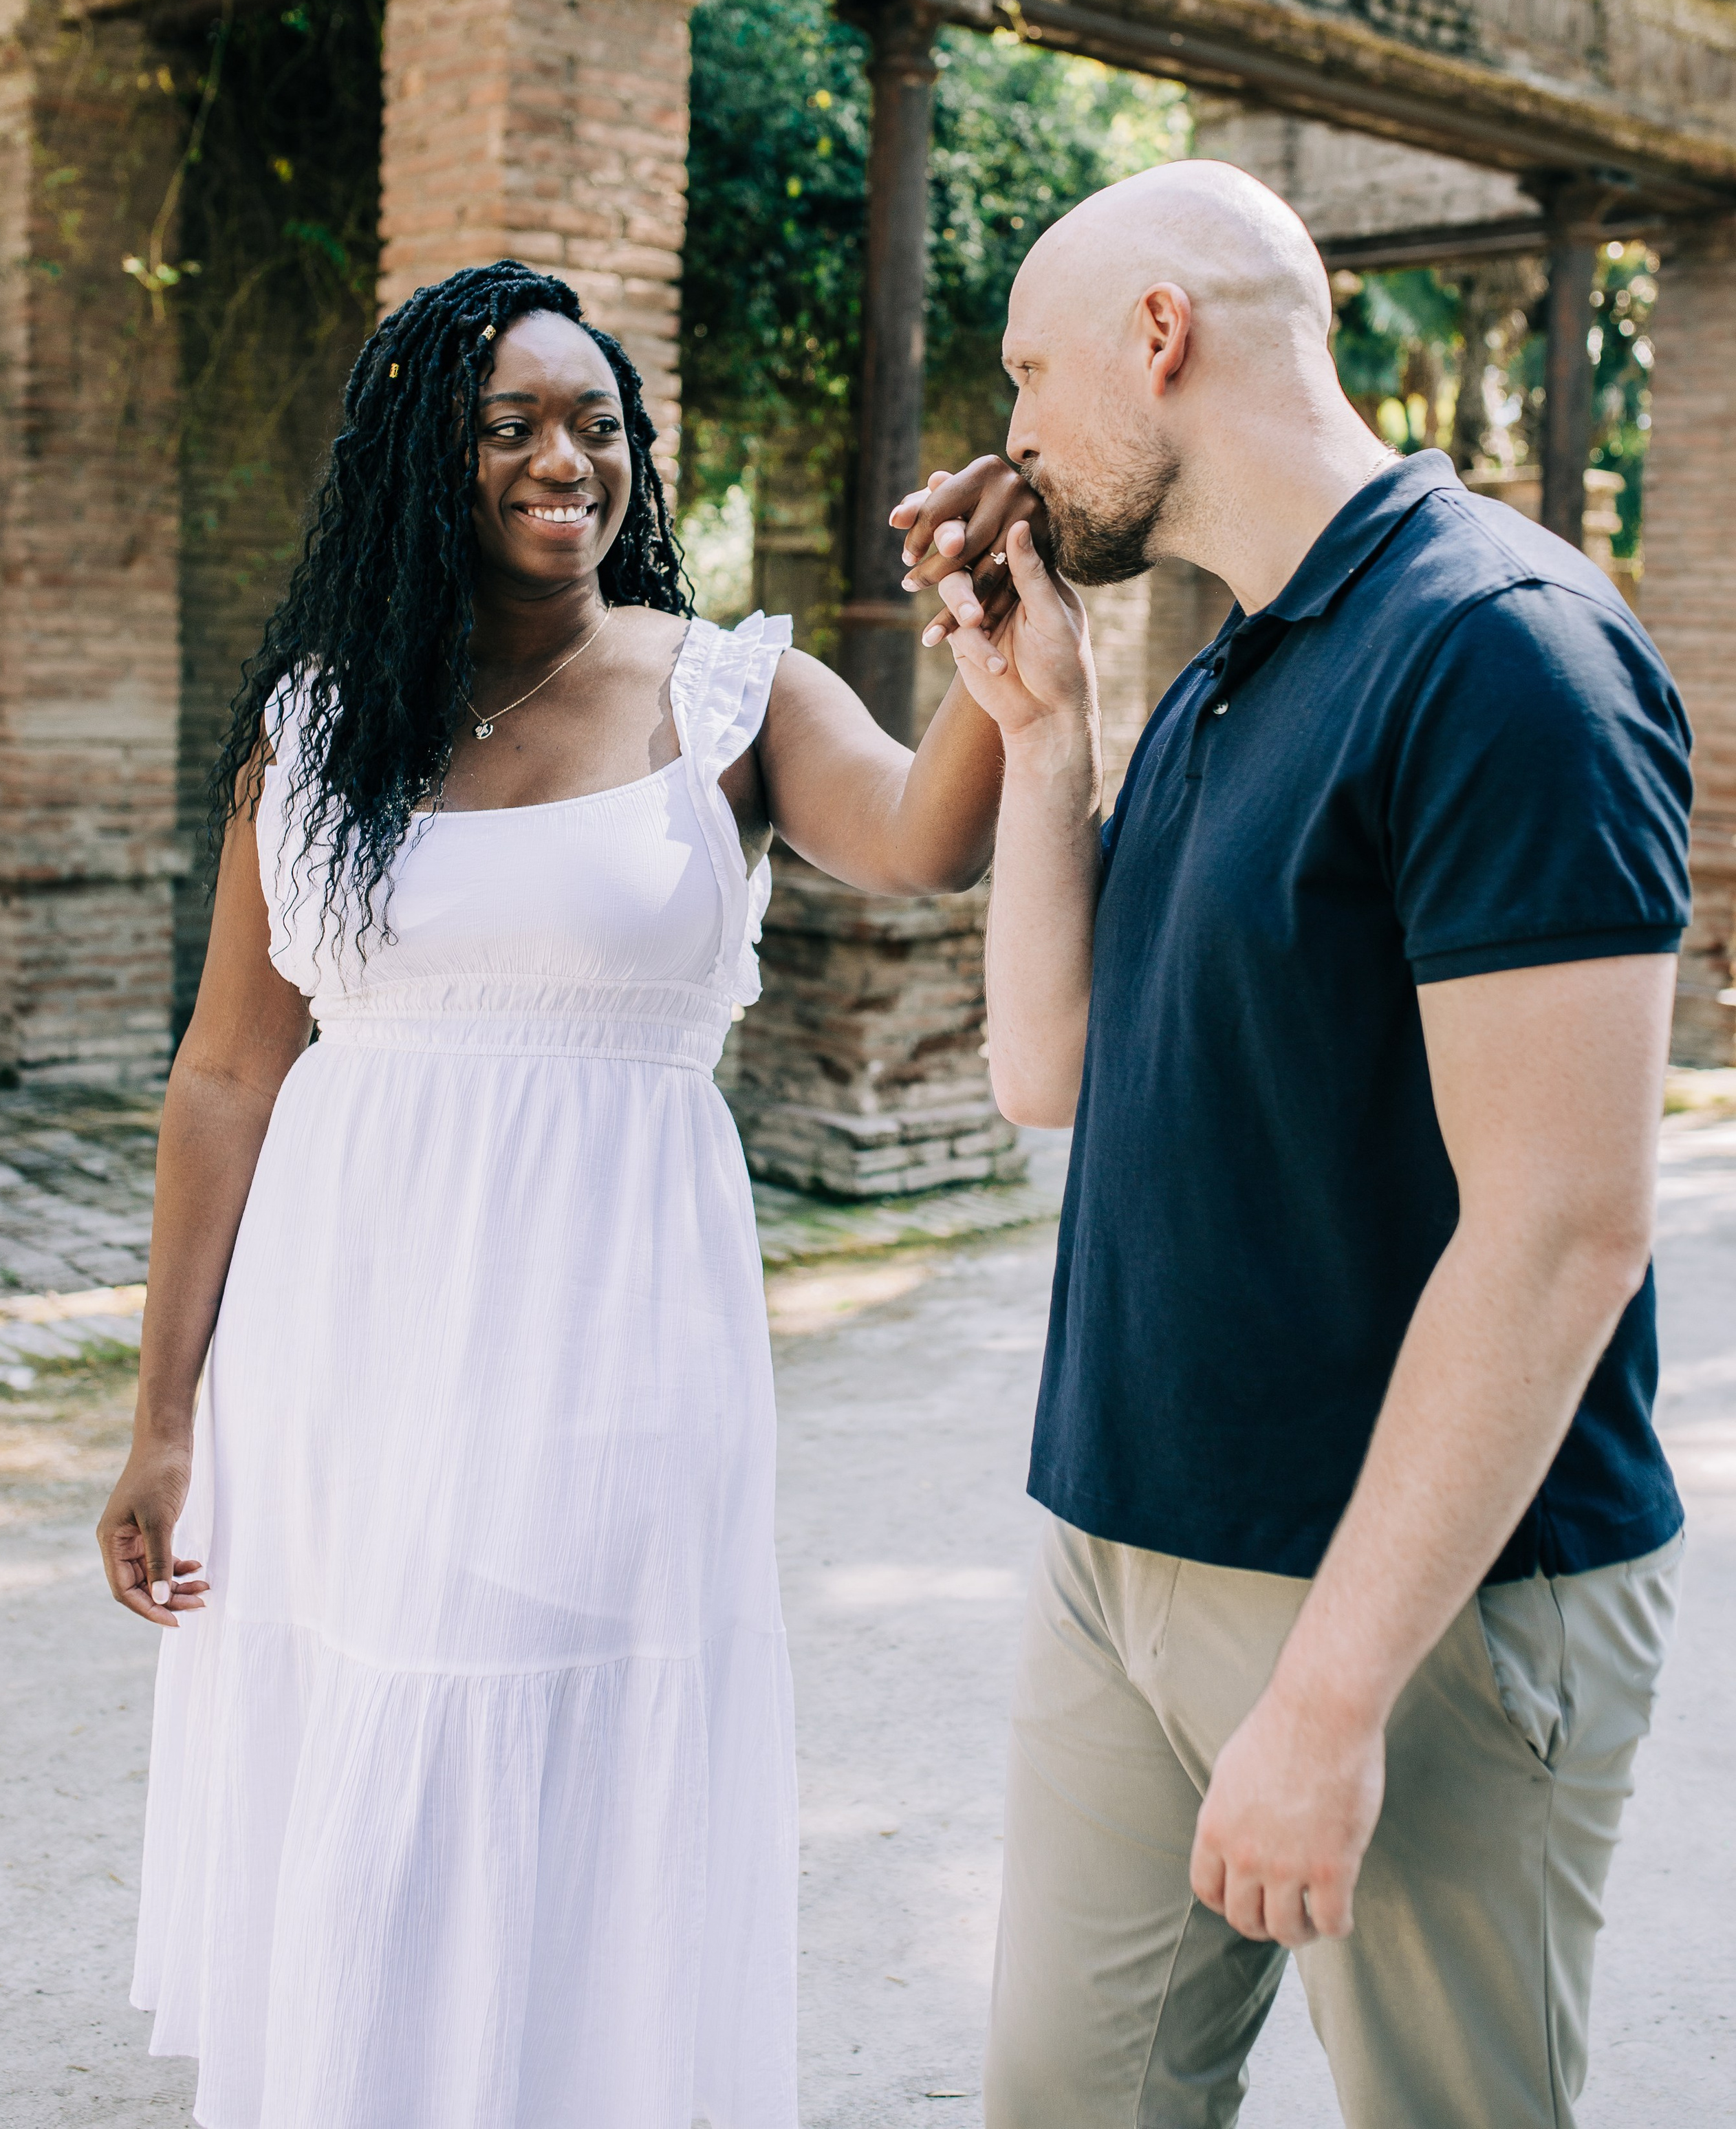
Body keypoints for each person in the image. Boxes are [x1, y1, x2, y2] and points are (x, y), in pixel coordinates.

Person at [96, 259, 1010, 2129]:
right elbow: (226, 1074)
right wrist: (162, 1422)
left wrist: (1002, 657)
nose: (560, 461)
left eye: (596, 424)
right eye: (508, 425)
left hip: (611, 1340)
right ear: (425, 462)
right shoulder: (320, 725)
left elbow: (934, 839)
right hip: (341, 1353)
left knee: (555, 1760)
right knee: (358, 1793)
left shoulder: (731, 697)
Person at [893, 162, 1692, 2129]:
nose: (1009, 440)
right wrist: (1049, 731)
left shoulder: (1505, 652)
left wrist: (1329, 1701)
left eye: (1028, 373)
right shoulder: (1230, 657)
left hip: (1419, 1612)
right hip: (1124, 1544)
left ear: (1157, 339)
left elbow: (1566, 1227)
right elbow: (1052, 1069)